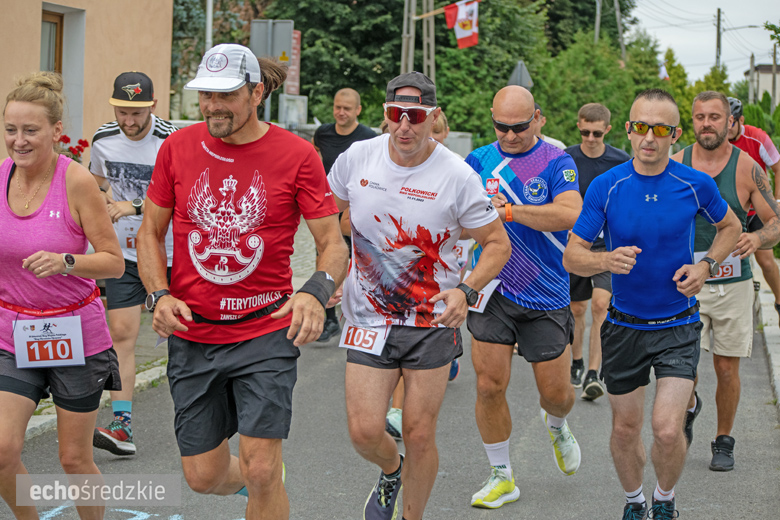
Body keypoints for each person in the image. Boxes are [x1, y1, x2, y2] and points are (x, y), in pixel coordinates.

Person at [136, 44, 349, 520]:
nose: (212, 105)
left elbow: (332, 242)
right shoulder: (177, 148)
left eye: (225, 95)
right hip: (194, 332)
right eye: (205, 94)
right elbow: (149, 231)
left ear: (256, 93)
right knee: (203, 477)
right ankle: (263, 482)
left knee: (259, 469)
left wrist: (314, 293)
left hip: (264, 330)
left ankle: (265, 480)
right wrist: (158, 293)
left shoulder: (297, 155)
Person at [328, 71, 511, 520]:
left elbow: (498, 243)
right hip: (368, 318)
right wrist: (331, 273)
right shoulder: (357, 158)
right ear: (386, 115)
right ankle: (392, 470)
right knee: (365, 430)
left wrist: (465, 292)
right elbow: (329, 219)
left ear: (433, 117)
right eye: (396, 115)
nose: (405, 126)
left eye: (415, 116)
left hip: (431, 321)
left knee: (418, 431)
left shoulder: (457, 175)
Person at [564, 88, 741, 520]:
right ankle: (634, 502)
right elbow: (572, 255)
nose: (649, 137)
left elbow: (730, 227)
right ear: (628, 129)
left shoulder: (694, 183)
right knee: (625, 430)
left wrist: (706, 268)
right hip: (624, 327)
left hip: (678, 324)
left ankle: (663, 500)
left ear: (674, 134)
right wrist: (605, 259)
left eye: (660, 129)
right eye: (640, 126)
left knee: (665, 429)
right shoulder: (608, 186)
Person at [0, 71, 125, 519]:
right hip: (12, 332)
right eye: (11, 129)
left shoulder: (76, 182)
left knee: (73, 459)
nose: (19, 140)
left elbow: (114, 261)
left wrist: (65, 261)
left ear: (55, 131)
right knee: (1, 449)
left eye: (30, 130)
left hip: (74, 332)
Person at [465, 85, 582, 510]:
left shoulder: (556, 161)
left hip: (545, 292)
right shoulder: (477, 160)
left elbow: (570, 212)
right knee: (488, 384)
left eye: (519, 127)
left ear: (538, 119)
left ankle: (557, 424)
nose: (510, 136)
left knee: (557, 393)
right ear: (491, 118)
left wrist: (508, 211)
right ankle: (501, 475)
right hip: (492, 288)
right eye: (501, 127)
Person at [671, 91, 780, 472]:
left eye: (714, 117)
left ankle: (724, 440)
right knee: (685, 364)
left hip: (733, 281)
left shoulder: (747, 168)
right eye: (700, 117)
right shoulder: (677, 162)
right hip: (688, 280)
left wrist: (757, 238)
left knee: (726, 367)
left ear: (729, 122)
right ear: (692, 121)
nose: (707, 124)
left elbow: (775, 222)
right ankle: (689, 405)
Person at [90, 71, 177, 456]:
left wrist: (136, 206)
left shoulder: (173, 141)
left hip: (173, 255)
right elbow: (95, 185)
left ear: (153, 106)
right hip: (126, 255)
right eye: (123, 111)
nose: (129, 120)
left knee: (184, 337)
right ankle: (122, 424)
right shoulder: (103, 140)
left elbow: (186, 195)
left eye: (137, 113)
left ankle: (201, 417)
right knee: (121, 334)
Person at [384, 110, 466, 441]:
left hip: (445, 273)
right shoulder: (396, 167)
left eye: (438, 133)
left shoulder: (456, 170)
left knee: (436, 332)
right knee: (405, 333)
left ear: (441, 134)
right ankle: (397, 410)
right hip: (405, 276)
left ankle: (449, 359)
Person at [564, 103, 630, 400]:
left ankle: (593, 371)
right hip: (577, 243)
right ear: (578, 127)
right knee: (577, 308)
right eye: (584, 132)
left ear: (607, 130)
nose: (590, 138)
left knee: (601, 305)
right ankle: (576, 361)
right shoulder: (566, 158)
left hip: (607, 245)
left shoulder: (620, 161)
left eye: (596, 133)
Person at [312, 88, 377, 342]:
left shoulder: (367, 137)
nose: (341, 112)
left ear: (358, 110)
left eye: (347, 108)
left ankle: (359, 312)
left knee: (356, 263)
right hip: (327, 209)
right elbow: (316, 159)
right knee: (325, 259)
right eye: (337, 107)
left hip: (355, 210)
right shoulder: (323, 133)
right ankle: (328, 319)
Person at [727, 97, 780, 319]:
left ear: (741, 120)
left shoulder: (757, 138)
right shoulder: (716, 141)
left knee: (765, 260)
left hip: (757, 208)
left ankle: (779, 301)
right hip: (732, 210)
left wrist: (776, 202)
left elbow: (778, 168)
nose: (727, 129)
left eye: (732, 123)